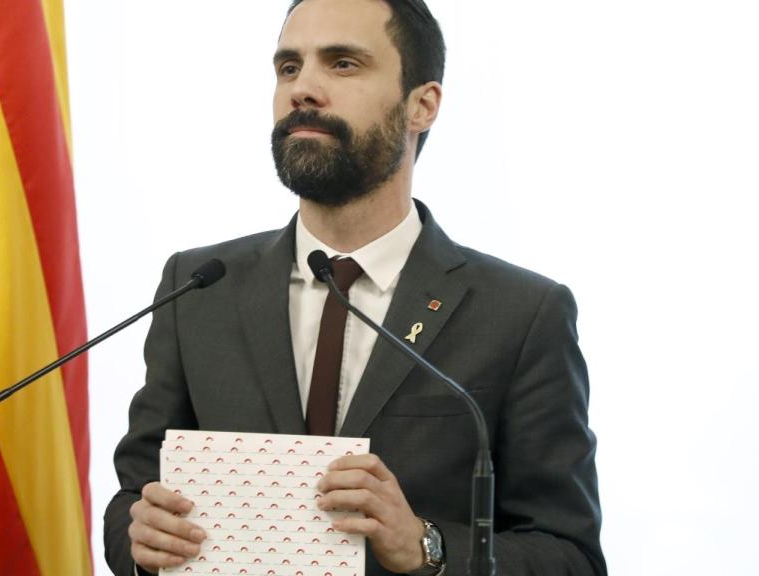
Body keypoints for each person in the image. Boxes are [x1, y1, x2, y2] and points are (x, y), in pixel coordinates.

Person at [104, 0, 606, 574]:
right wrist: (141, 542)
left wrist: (426, 545)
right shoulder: (197, 288)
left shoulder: (521, 314)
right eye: (289, 68)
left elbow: (571, 556)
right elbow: (133, 500)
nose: (304, 89)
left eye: (343, 64)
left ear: (422, 105)